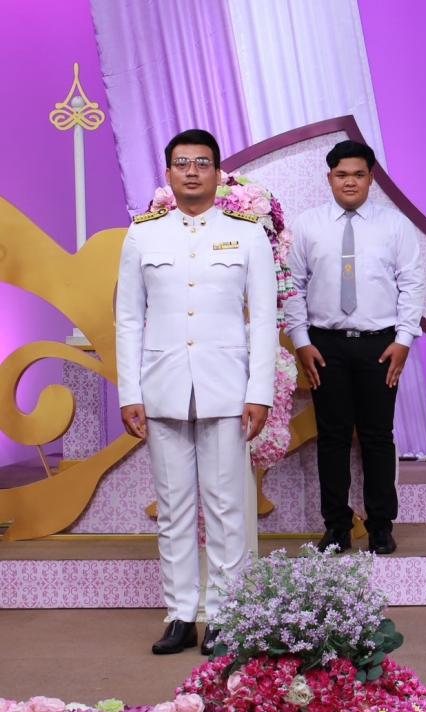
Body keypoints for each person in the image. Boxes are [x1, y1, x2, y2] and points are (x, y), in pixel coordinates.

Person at [115, 128, 278, 655]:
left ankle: (226, 615)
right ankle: (181, 614)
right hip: (162, 388)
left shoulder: (247, 234)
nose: (191, 171)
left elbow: (263, 320)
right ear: (168, 174)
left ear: (218, 173)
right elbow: (128, 319)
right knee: (174, 507)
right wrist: (130, 392)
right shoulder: (143, 235)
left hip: (226, 389)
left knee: (228, 508)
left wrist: (259, 392)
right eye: (182, 163)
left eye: (202, 163)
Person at [284, 140, 423, 556]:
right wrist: (301, 342)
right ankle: (336, 527)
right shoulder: (307, 226)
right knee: (332, 438)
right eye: (342, 174)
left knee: (378, 437)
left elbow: (411, 284)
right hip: (324, 346)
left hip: (380, 345)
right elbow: (293, 286)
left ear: (371, 179)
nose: (350, 182)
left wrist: (403, 341)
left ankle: (380, 525)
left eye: (358, 175)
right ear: (329, 178)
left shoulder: (395, 225)